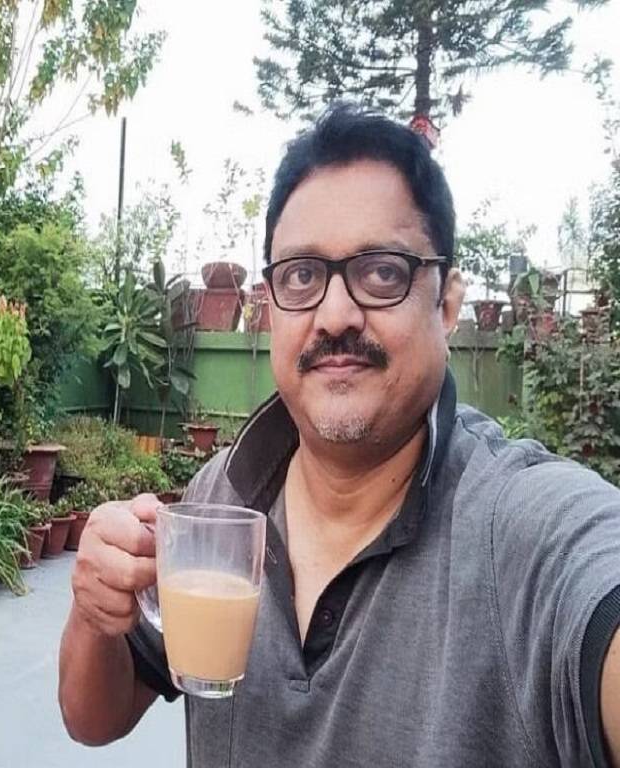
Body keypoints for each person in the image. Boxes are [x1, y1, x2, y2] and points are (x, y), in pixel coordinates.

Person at [59, 104, 620, 767]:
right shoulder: (224, 494)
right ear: (272, 306)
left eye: (381, 272)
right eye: (301, 275)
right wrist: (98, 612)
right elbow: (92, 720)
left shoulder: (528, 532)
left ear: (445, 301)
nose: (334, 314)